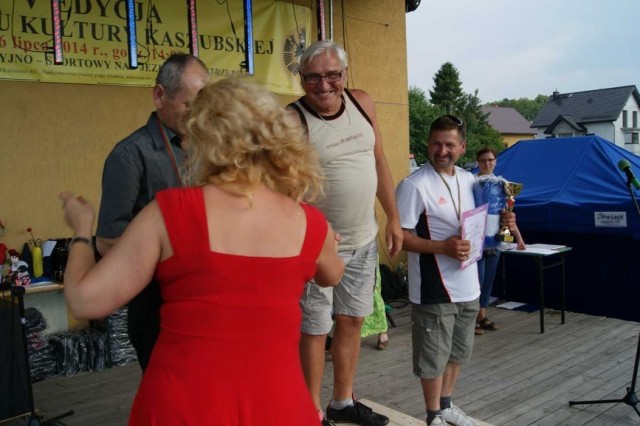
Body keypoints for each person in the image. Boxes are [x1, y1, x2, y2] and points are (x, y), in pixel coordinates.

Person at [60, 78, 345, 425]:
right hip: (278, 407)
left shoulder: (169, 213)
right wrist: (326, 240)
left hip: (183, 407)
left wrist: (81, 230)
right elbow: (332, 274)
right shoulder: (309, 223)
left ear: (201, 140)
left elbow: (85, 301)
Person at [288, 40, 403, 426]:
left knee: (352, 320)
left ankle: (342, 402)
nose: (323, 85)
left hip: (364, 239)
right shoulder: (292, 120)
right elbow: (282, 188)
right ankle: (310, 413)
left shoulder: (362, 103)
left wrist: (393, 217)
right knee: (314, 329)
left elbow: (379, 160)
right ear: (301, 79)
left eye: (332, 75)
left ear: (345, 74)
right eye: (313, 78)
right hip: (317, 248)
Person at [395, 115, 516, 426]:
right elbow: (398, 238)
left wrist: (503, 222)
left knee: (458, 351)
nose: (442, 151)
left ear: (462, 147)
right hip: (434, 286)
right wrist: (442, 247)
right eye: (436, 143)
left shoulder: (470, 180)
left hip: (469, 283)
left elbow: (482, 222)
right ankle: (433, 415)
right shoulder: (413, 185)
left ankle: (446, 405)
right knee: (432, 357)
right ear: (428, 144)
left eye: (449, 144)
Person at [95, 53, 210, 371]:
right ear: (159, 95)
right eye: (189, 105)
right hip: (157, 301)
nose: (199, 116)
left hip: (204, 295)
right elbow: (107, 243)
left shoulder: (208, 148)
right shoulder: (129, 156)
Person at [474, 148, 526, 335]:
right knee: (477, 280)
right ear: (478, 162)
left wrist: (519, 238)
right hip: (477, 238)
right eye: (483, 160)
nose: (487, 163)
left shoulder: (502, 184)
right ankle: (471, 319)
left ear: (495, 161)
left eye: (490, 160)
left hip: (495, 238)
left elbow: (508, 215)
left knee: (488, 280)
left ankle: (482, 316)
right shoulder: (471, 183)